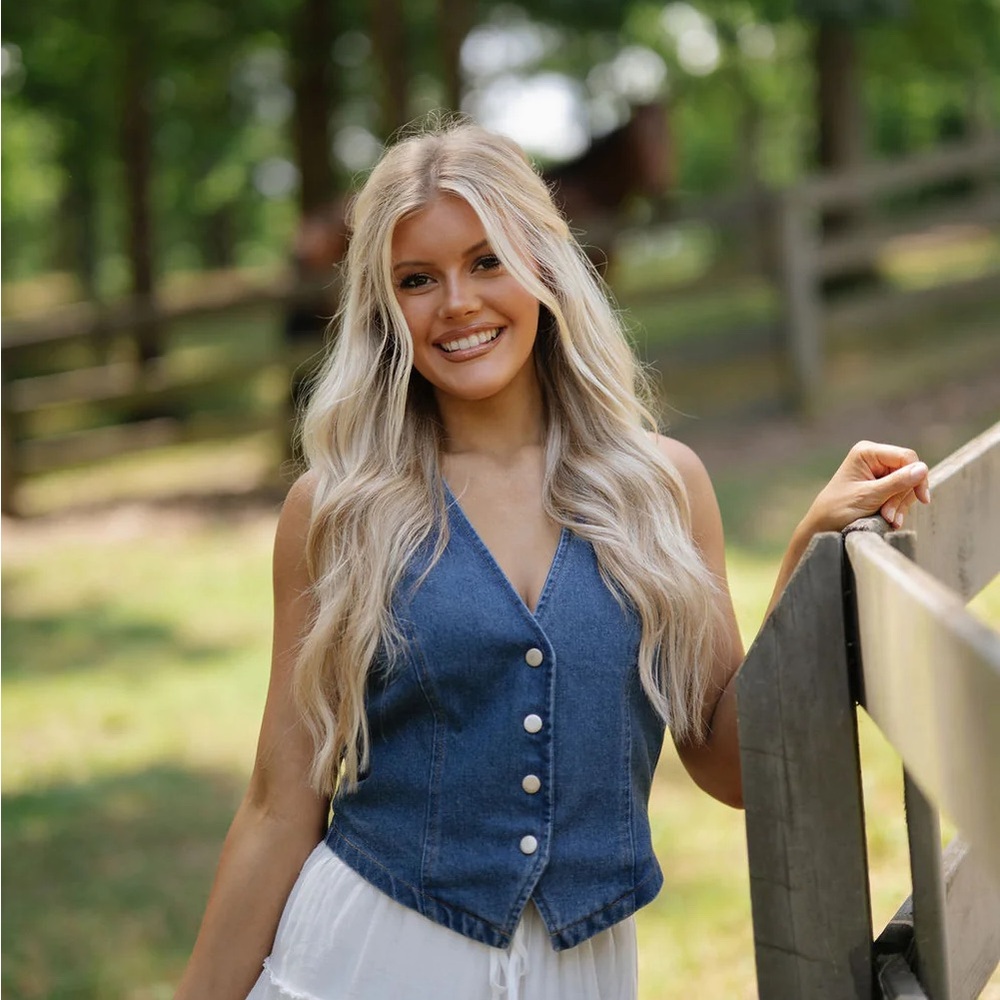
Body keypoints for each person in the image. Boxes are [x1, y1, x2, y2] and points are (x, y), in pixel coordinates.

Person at [174, 119, 931, 1000]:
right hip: (364, 963)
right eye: (418, 280)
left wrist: (808, 553)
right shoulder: (339, 510)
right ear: (385, 308)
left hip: (585, 975)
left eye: (487, 261)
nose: (457, 303)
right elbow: (277, 806)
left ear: (543, 264)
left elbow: (730, 768)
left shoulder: (661, 490)